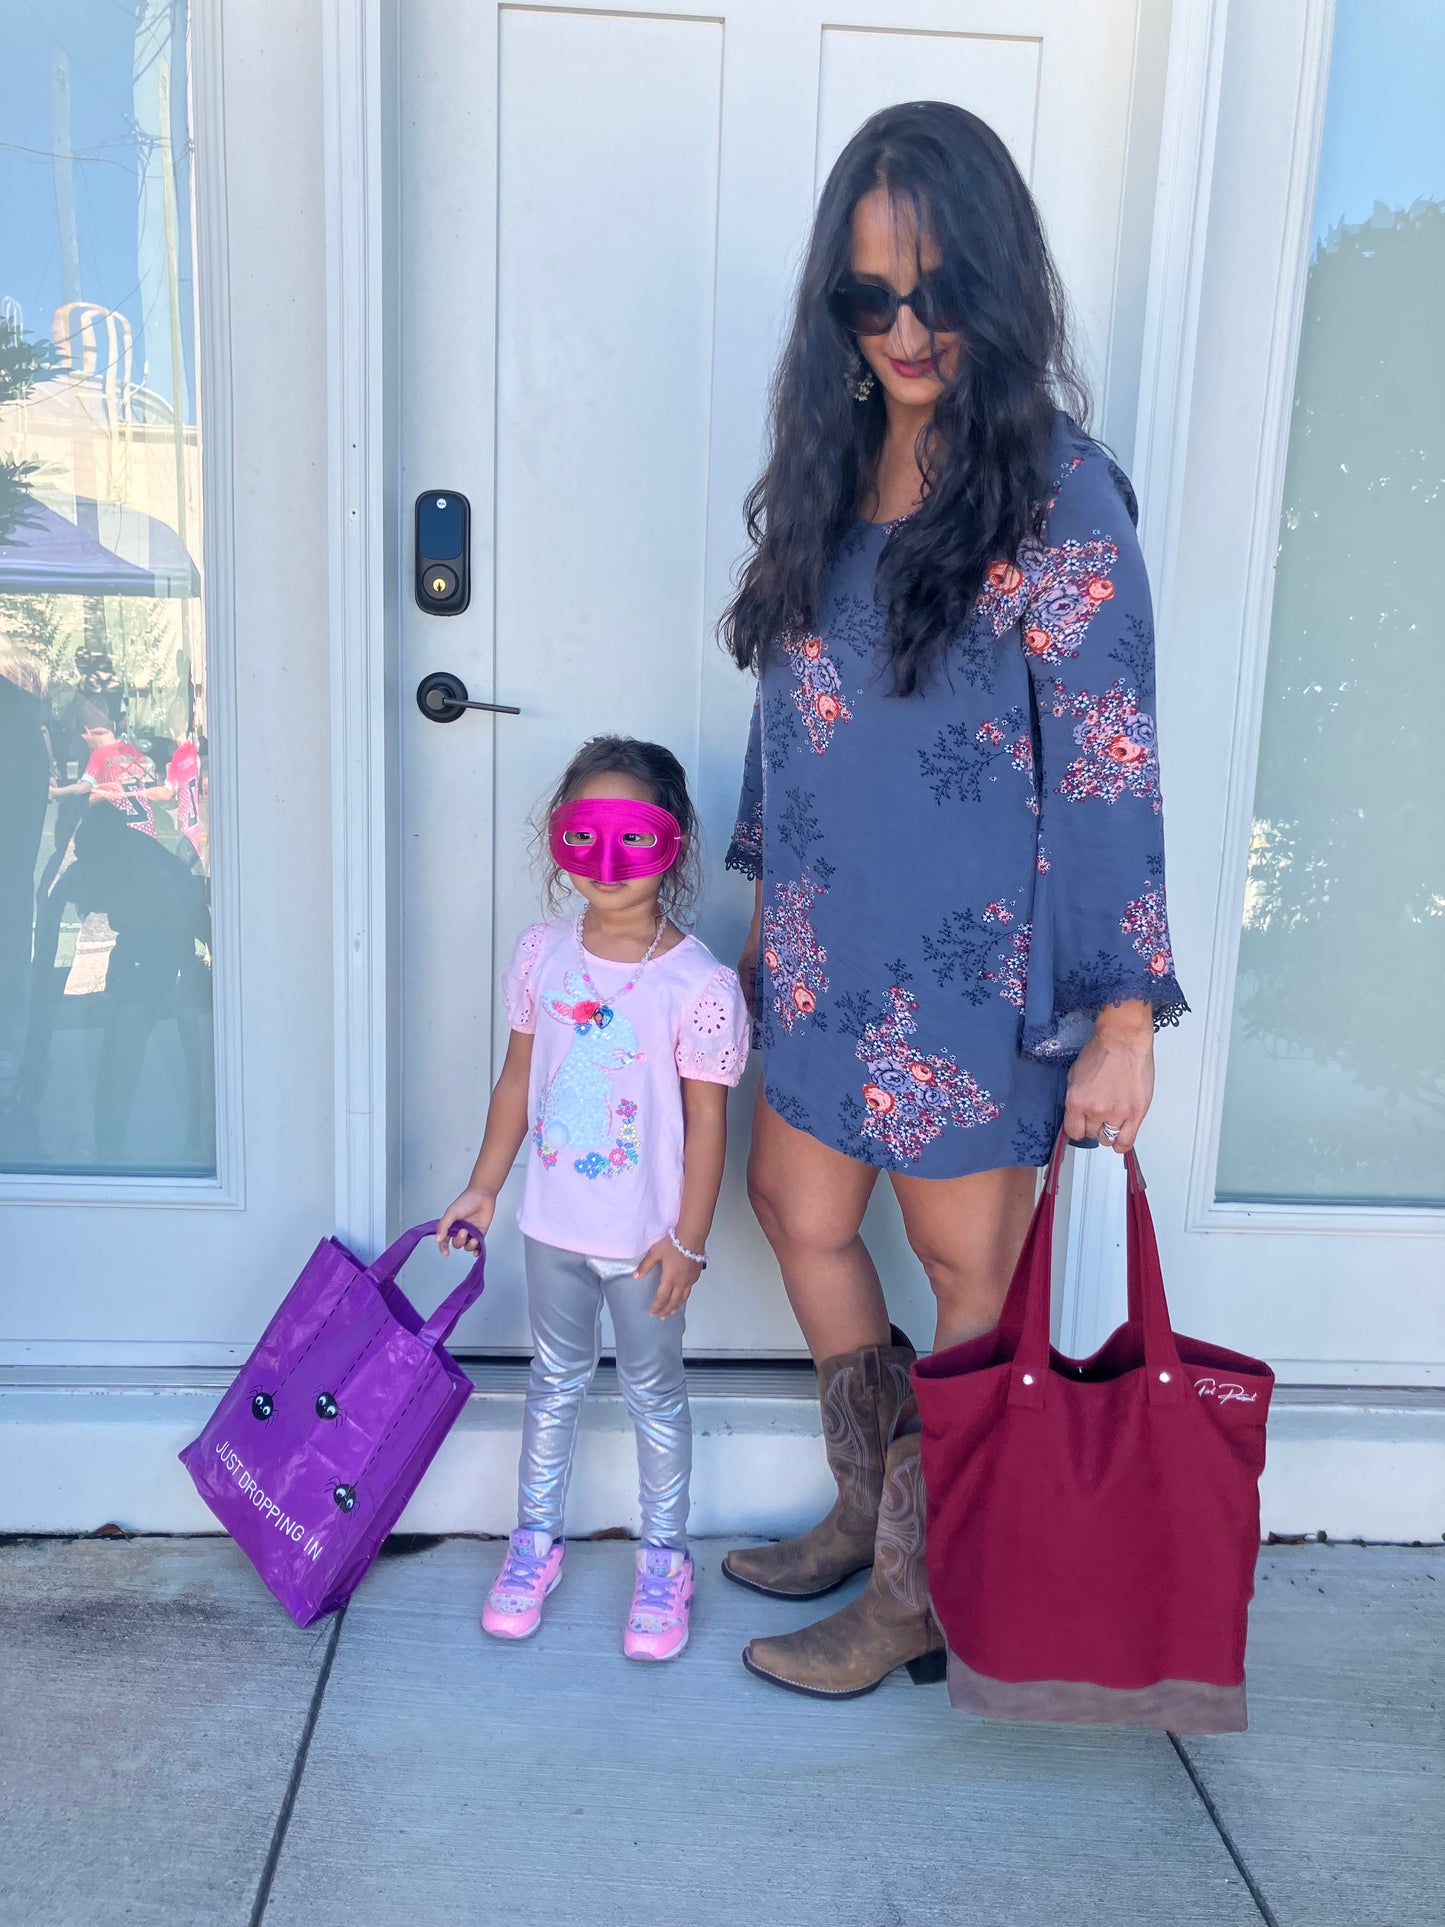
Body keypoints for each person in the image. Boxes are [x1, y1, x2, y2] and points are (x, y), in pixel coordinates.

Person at [720, 101, 1187, 1697]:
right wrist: (760, 912)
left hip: (973, 980)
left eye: (933, 290)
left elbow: (1113, 759)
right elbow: (790, 711)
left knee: (970, 1288)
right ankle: (868, 1499)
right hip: (823, 953)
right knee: (797, 1210)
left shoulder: (1061, 494)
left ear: (994, 281)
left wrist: (1121, 1014)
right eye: (868, 297)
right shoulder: (833, 466)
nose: (905, 330)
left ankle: (920, 1585)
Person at [436, 737, 748, 1662]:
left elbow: (707, 1126)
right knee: (553, 1384)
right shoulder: (542, 954)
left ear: (677, 842)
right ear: (556, 836)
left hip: (645, 1241)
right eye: (584, 834)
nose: (607, 866)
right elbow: (514, 1080)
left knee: (654, 1390)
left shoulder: (697, 984)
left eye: (634, 837)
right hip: (552, 1226)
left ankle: (664, 1556)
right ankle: (534, 1542)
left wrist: (687, 1241)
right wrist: (485, 1187)